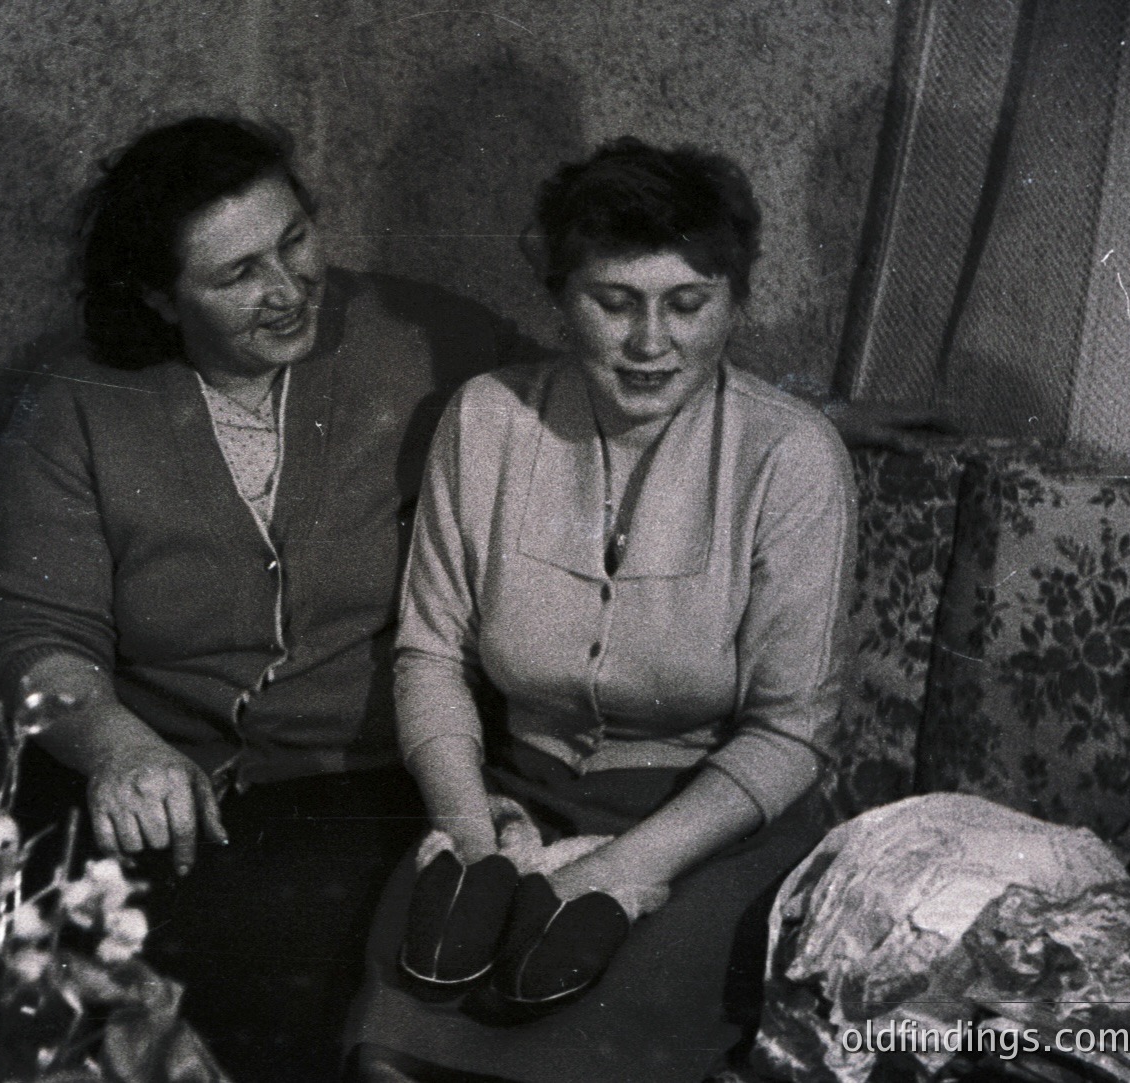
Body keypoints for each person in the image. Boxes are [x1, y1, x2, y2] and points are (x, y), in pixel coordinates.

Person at [0, 116, 526, 1081]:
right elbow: (39, 627)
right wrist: (116, 747)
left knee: (292, 969)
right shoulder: (76, 404)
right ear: (159, 297)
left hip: (362, 776)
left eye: (295, 241)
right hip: (163, 779)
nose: (287, 289)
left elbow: (594, 409)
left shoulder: (428, 338)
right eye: (237, 274)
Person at [348, 137, 858, 1082]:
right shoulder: (487, 419)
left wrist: (624, 870)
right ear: (559, 297)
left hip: (713, 824)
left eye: (687, 304)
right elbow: (429, 654)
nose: (650, 342)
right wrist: (470, 834)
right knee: (396, 1047)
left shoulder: (791, 456)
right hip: (514, 798)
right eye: (614, 302)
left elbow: (792, 730)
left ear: (735, 302)